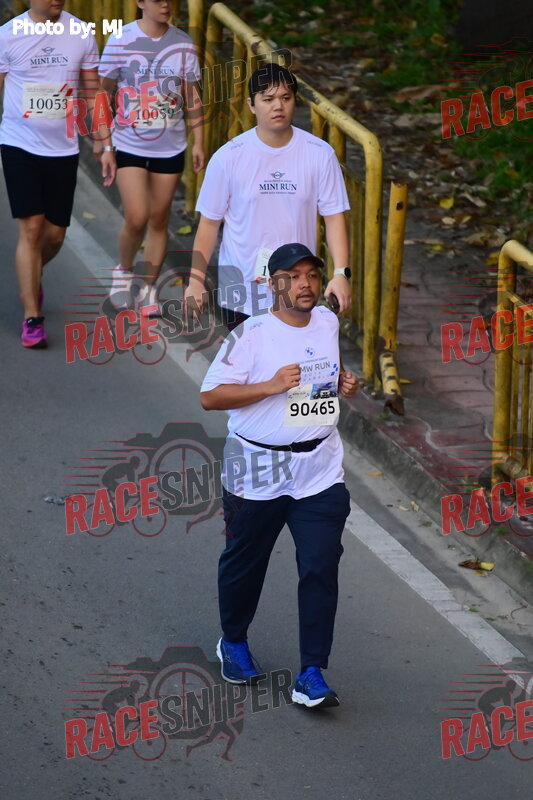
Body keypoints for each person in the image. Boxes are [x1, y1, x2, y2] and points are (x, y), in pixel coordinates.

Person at [200, 243, 359, 708]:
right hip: (257, 469)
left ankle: (312, 673)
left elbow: (324, 372)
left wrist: (343, 382)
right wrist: (270, 386)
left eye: (312, 274)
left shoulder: (327, 322)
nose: (305, 284)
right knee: (245, 563)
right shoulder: (250, 335)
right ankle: (233, 640)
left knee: (320, 566)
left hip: (319, 471)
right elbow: (210, 397)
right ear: (273, 284)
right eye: (292, 276)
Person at [188, 62, 352, 331]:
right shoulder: (228, 157)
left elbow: (334, 218)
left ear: (295, 102)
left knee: (293, 358)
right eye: (268, 99)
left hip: (297, 290)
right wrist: (195, 281)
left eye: (286, 98)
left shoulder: (319, 154)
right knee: (248, 359)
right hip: (241, 292)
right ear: (252, 105)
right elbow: (208, 223)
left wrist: (341, 273)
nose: (278, 106)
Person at [0, 0, 116, 348]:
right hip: (18, 143)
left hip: (63, 149)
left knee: (55, 236)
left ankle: (31, 273)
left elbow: (93, 92)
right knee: (32, 228)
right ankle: (32, 318)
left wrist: (105, 143)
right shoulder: (8, 35)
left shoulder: (80, 32)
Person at [99, 0, 205, 315]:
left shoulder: (183, 43)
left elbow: (192, 96)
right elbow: (103, 92)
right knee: (137, 216)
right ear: (140, 2)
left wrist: (199, 141)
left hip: (170, 146)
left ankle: (148, 289)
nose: (166, 4)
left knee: (159, 219)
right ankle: (123, 271)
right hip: (128, 143)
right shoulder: (121, 39)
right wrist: (105, 144)